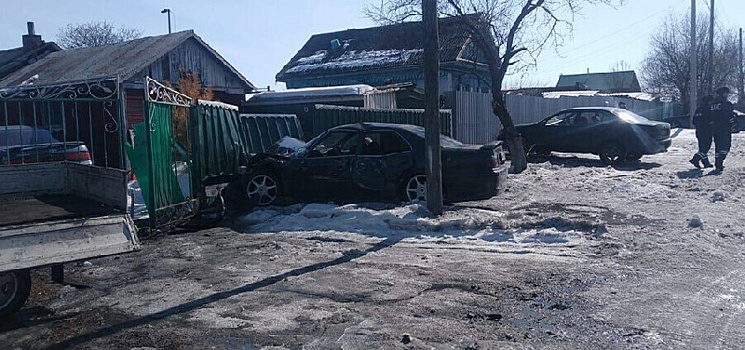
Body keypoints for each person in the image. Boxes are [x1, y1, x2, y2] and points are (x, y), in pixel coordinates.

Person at [709, 86, 736, 171]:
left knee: (718, 145)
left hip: (714, 128)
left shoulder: (712, 104)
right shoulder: (726, 104)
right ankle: (720, 160)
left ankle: (718, 163)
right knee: (726, 146)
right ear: (724, 93)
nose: (727, 95)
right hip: (724, 127)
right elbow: (728, 115)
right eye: (727, 93)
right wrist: (733, 123)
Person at [690, 95, 714, 168]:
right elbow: (710, 120)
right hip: (706, 131)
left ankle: (706, 162)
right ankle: (695, 159)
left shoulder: (699, 109)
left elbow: (694, 121)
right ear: (710, 101)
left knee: (702, 147)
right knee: (705, 148)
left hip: (699, 131)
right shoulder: (708, 108)